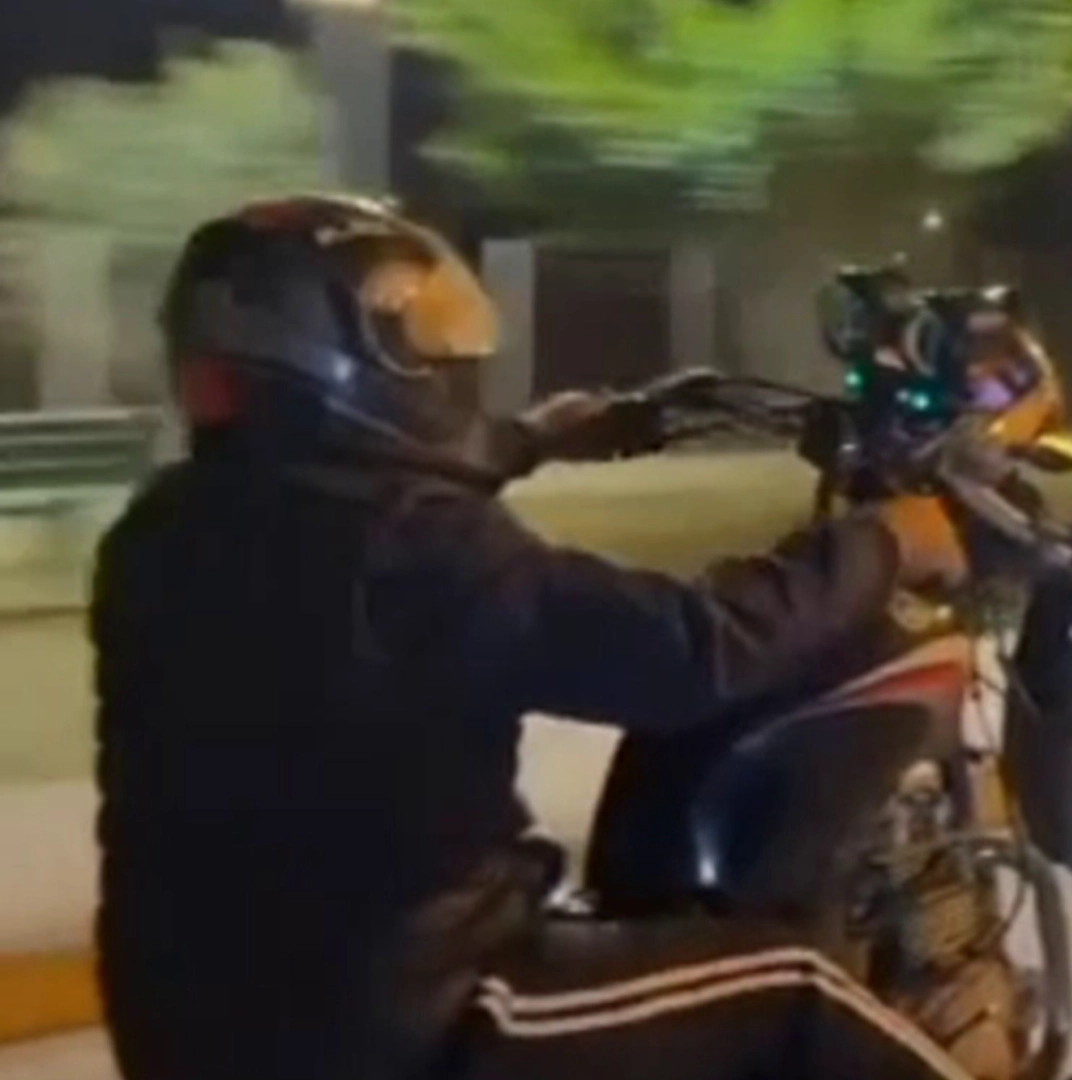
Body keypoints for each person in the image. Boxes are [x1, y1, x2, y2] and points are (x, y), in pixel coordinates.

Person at [89, 193, 980, 1080]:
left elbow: (333, 496)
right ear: (322, 356)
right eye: (411, 334)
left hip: (196, 1030)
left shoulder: (160, 535)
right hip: (415, 1023)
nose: (445, 358)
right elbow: (685, 654)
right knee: (796, 991)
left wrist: (533, 440)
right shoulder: (420, 548)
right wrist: (881, 543)